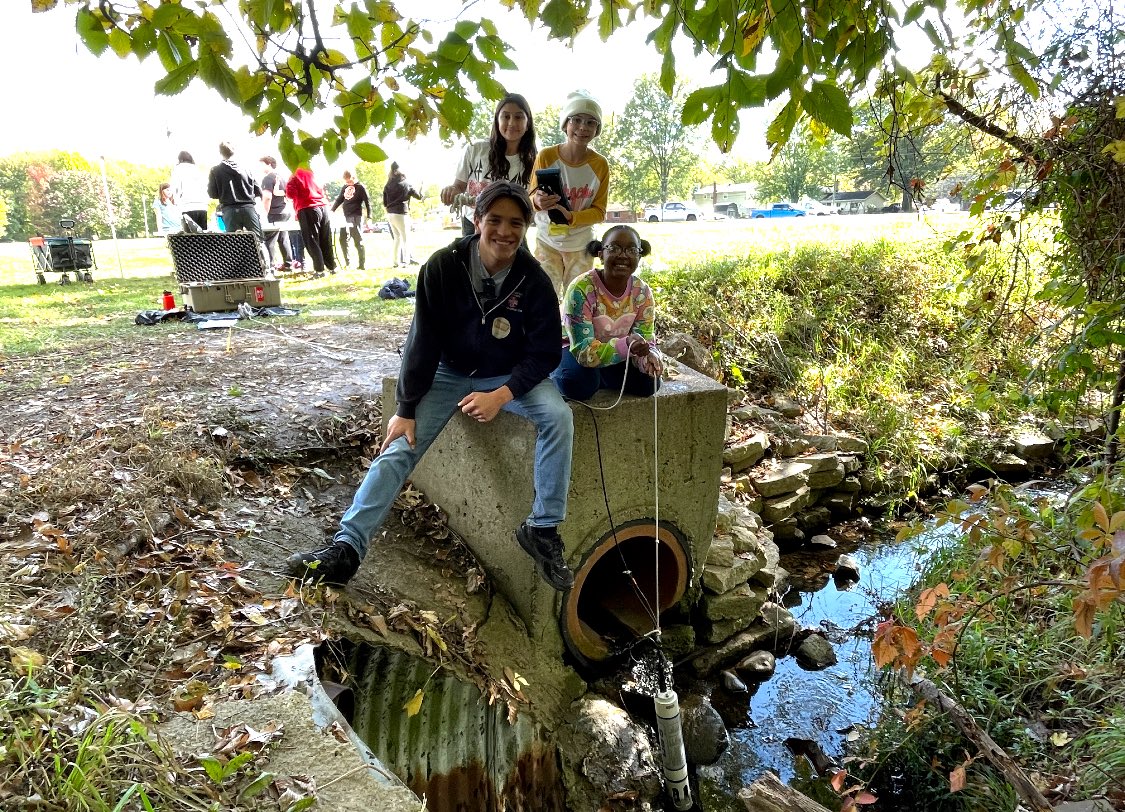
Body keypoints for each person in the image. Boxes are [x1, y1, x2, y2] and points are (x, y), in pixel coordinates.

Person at [286, 181, 575, 591]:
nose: (504, 232)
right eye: (494, 220)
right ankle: (346, 549)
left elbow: (545, 354)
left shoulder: (534, 279)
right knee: (399, 446)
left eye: (515, 222)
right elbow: (422, 340)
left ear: (527, 226)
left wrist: (502, 395)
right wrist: (405, 409)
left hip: (506, 377)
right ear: (477, 221)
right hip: (448, 372)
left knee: (559, 417)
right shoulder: (443, 266)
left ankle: (543, 529)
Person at [552, 225, 663, 400]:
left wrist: (649, 357)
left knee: (650, 383)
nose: (623, 255)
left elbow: (645, 340)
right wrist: (627, 345)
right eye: (615, 248)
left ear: (639, 256)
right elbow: (583, 350)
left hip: (617, 350)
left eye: (632, 250)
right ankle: (557, 371)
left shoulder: (641, 292)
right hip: (574, 348)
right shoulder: (581, 288)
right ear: (601, 254)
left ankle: (601, 375)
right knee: (578, 384)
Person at [529, 90, 610, 298]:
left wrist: (572, 217)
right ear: (565, 124)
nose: (583, 127)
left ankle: (573, 332)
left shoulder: (600, 165)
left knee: (578, 299)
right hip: (547, 241)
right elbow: (530, 197)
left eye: (591, 122)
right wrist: (538, 200)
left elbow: (599, 212)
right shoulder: (546, 156)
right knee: (545, 296)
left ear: (597, 129)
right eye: (576, 120)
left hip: (580, 245)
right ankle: (549, 332)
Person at [440, 93, 537, 235]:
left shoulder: (535, 161)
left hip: (511, 228)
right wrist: (451, 191)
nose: (511, 123)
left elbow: (534, 200)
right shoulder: (475, 149)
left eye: (518, 117)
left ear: (528, 123)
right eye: (505, 116)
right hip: (474, 225)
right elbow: (458, 186)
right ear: (497, 120)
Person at [206, 142, 264, 242]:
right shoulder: (247, 168)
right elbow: (258, 191)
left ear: (220, 152)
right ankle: (263, 258)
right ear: (234, 151)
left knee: (234, 245)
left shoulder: (215, 170)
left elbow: (212, 193)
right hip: (248, 208)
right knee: (258, 241)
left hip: (229, 210)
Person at [285, 166, 336, 277]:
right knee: (325, 238)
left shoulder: (295, 174)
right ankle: (332, 267)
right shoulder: (313, 172)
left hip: (307, 207)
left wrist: (289, 181)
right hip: (322, 206)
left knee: (311, 240)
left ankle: (319, 270)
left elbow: (290, 194)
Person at [382, 162, 423, 267]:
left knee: (397, 238)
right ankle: (406, 261)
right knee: (406, 238)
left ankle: (395, 262)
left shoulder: (388, 184)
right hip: (401, 213)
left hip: (390, 213)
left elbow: (385, 203)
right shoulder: (406, 183)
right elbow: (418, 196)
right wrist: (421, 190)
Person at [260, 156, 295, 271]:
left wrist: (265, 213)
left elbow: (267, 197)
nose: (260, 167)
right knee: (283, 239)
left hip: (274, 212)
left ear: (269, 164)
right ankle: (289, 264)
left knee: (270, 240)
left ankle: (270, 265)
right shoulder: (282, 177)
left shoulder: (267, 178)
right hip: (284, 211)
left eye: (262, 164)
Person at [331, 170, 371, 269]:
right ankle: (347, 263)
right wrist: (332, 210)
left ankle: (361, 265)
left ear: (354, 178)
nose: (348, 183)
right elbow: (340, 199)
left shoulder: (361, 187)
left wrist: (369, 216)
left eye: (350, 181)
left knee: (358, 240)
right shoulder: (345, 187)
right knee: (343, 239)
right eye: (346, 182)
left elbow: (367, 202)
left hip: (356, 216)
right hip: (345, 216)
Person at [169, 151, 209, 231]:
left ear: (180, 159)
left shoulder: (178, 169)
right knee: (203, 237)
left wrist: (175, 201)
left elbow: (174, 187)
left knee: (189, 238)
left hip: (187, 205)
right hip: (202, 206)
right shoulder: (198, 169)